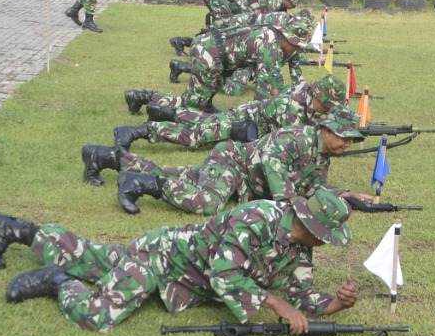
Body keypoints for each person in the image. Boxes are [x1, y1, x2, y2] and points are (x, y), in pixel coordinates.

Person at [0, 189, 359, 335]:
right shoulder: (256, 219)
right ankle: (57, 281)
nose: (328, 243)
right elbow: (225, 275)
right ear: (311, 225)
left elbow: (296, 292)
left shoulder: (300, 247)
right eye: (327, 234)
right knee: (99, 315)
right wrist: (276, 304)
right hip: (161, 258)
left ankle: (14, 229)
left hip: (182, 271)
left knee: (92, 257)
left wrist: (336, 302)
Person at [81, 104, 374, 217]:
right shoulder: (296, 137)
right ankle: (141, 184)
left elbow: (313, 187)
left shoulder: (322, 157)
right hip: (233, 162)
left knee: (177, 174)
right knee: (209, 202)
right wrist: (289, 201)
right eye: (343, 136)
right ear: (325, 129)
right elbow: (273, 165)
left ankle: (104, 157)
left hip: (242, 181)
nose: (347, 143)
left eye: (351, 140)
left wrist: (346, 195)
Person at [128, 13, 312, 115]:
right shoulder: (269, 45)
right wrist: (266, 117)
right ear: (287, 36)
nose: (295, 50)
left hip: (220, 57)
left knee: (206, 95)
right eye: (295, 45)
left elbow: (275, 81)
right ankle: (141, 97)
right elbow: (264, 90)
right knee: (190, 106)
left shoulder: (274, 38)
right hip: (208, 53)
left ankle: (205, 103)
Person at [113, 73, 347, 151]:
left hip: (247, 115)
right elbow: (284, 141)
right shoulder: (293, 111)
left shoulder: (304, 90)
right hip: (242, 124)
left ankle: (161, 111)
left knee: (205, 121)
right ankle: (134, 132)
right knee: (196, 136)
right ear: (323, 99)